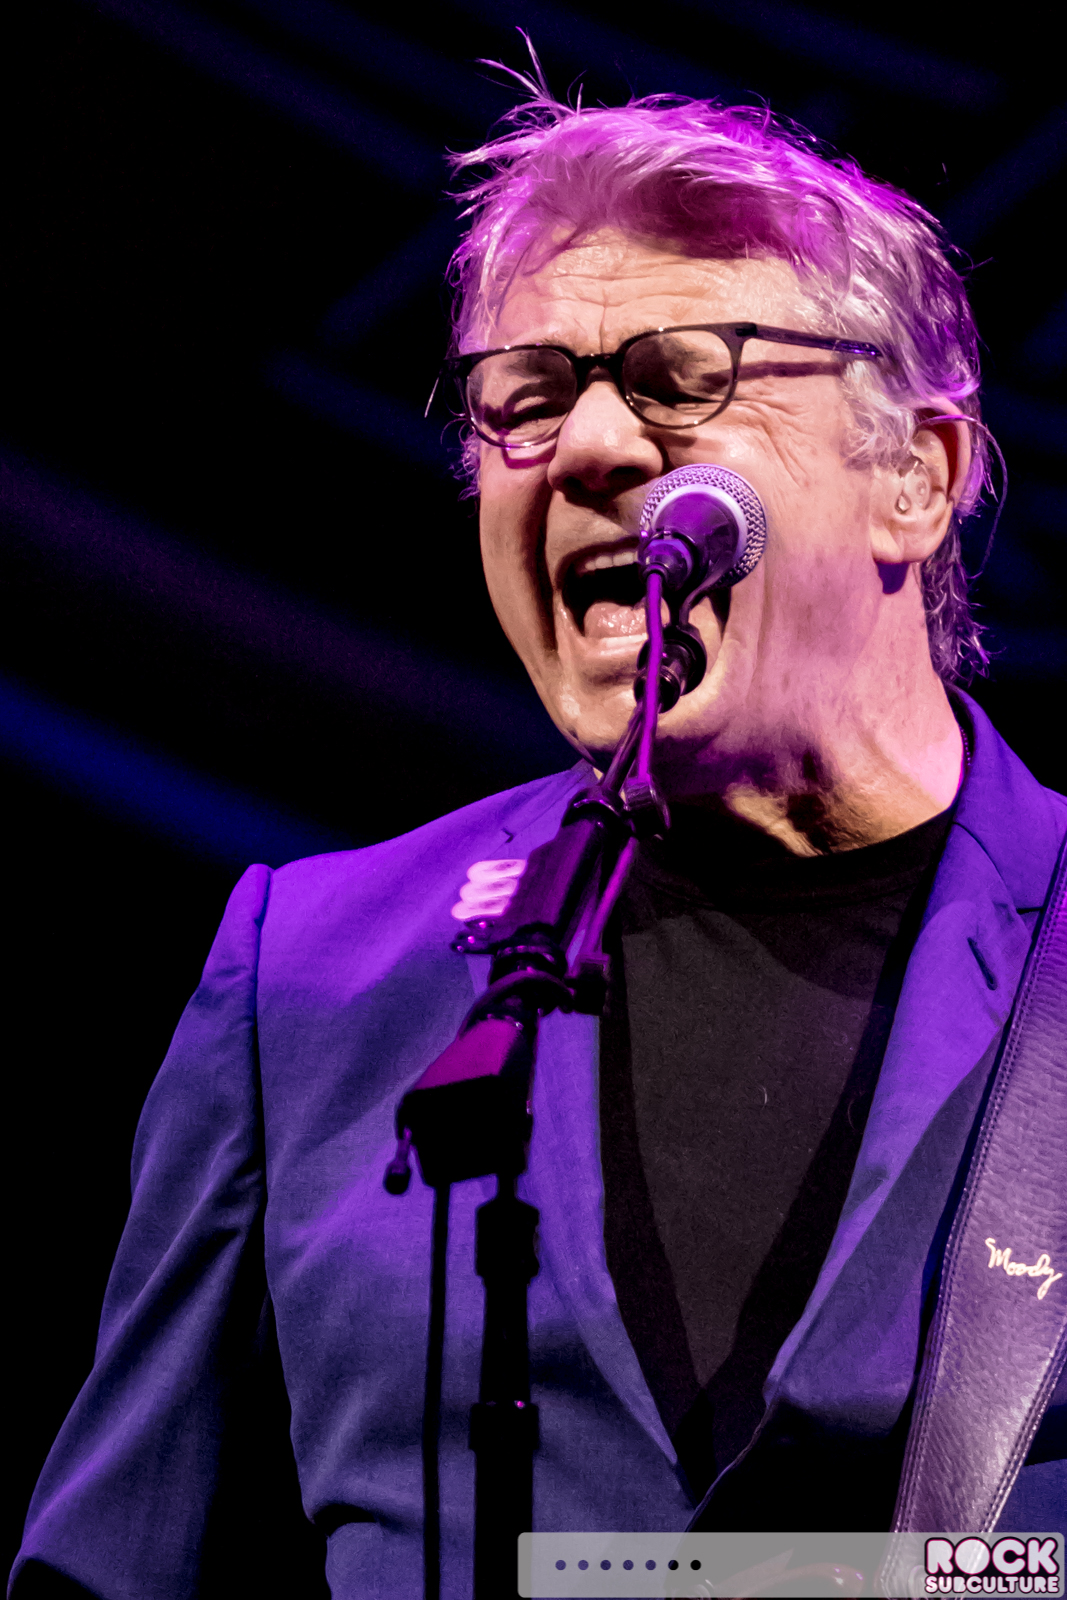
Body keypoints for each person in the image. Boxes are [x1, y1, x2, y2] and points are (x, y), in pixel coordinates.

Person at [12, 90, 1066, 1600]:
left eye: (684, 378)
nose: (585, 447)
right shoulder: (309, 980)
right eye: (524, 396)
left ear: (916, 476)